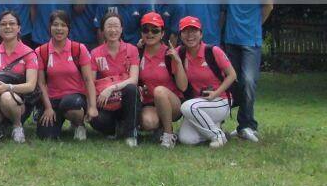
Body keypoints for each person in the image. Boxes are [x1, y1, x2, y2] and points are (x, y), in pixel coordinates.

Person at [224, 0, 273, 143]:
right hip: (230, 40)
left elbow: (268, 6)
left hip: (250, 40)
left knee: (249, 81)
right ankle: (234, 123)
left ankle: (247, 125)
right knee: (231, 83)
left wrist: (255, 26)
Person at [35, 10, 97, 141]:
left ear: (68, 28)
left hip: (75, 98)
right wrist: (48, 108)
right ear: (50, 27)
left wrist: (92, 106)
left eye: (63, 25)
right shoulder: (41, 51)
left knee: (70, 103)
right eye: (55, 25)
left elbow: (88, 79)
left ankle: (79, 124)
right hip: (53, 99)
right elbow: (41, 83)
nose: (59, 29)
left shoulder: (79, 49)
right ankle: (56, 121)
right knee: (46, 136)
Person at [0, 10, 38, 144]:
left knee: (6, 97)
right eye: (3, 24)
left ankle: (17, 126)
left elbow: (31, 85)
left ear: (19, 28)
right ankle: (3, 124)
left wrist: (8, 87)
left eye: (12, 23)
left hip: (18, 100)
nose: (8, 27)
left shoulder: (29, 53)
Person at [177, 16, 237, 148]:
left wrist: (216, 93)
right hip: (199, 103)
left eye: (194, 31)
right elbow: (162, 51)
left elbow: (232, 75)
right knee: (186, 139)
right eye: (185, 31)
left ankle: (217, 136)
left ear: (201, 33)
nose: (190, 35)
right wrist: (142, 45)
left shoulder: (213, 51)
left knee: (187, 107)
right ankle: (214, 128)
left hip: (219, 100)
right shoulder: (180, 53)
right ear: (180, 35)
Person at [89, 11, 141, 146]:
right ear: (102, 30)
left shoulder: (132, 50)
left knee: (131, 89)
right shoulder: (95, 53)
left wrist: (111, 88)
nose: (113, 30)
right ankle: (115, 129)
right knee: (95, 119)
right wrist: (92, 106)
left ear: (122, 29)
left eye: (116, 26)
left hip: (125, 100)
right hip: (107, 104)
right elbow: (91, 82)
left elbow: (133, 79)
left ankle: (131, 134)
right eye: (109, 26)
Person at [136, 12, 187, 148]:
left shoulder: (169, 54)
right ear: (141, 32)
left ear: (162, 33)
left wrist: (178, 62)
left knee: (159, 91)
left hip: (172, 103)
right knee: (148, 123)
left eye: (155, 30)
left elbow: (182, 86)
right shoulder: (138, 53)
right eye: (146, 30)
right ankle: (158, 128)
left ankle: (168, 135)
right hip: (149, 102)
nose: (150, 34)